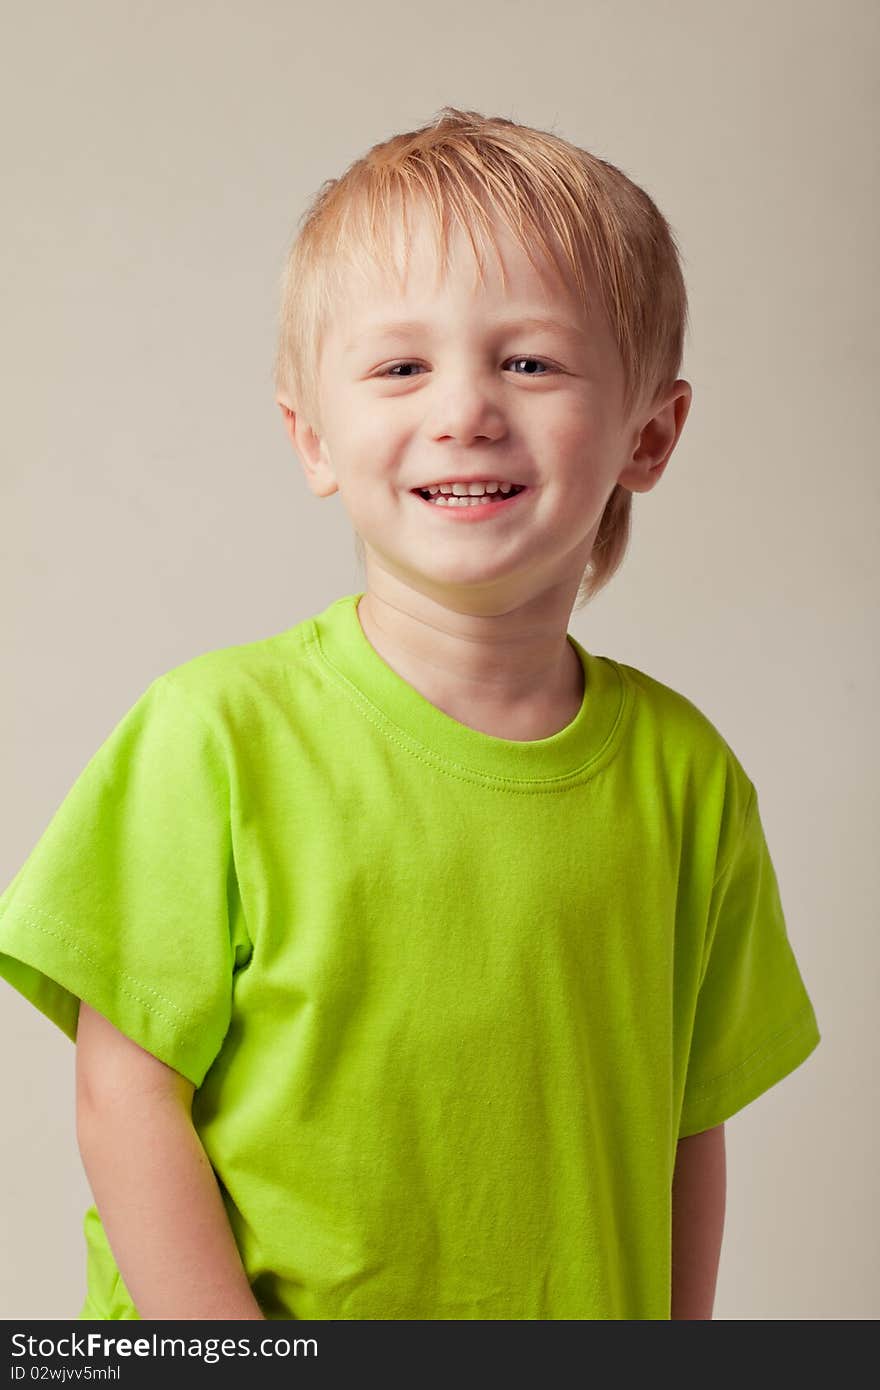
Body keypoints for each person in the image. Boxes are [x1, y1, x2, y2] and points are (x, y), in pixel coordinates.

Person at [0, 106, 821, 1321]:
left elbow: (684, 1121)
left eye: (528, 361)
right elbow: (123, 1093)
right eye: (400, 366)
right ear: (312, 434)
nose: (466, 410)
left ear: (649, 433)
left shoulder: (685, 776)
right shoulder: (216, 735)